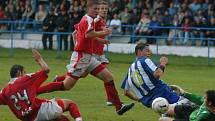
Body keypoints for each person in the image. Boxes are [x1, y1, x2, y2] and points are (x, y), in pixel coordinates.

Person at [37, 0, 134, 116]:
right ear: (89, 9)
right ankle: (36, 91)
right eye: (96, 9)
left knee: (108, 77)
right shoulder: (88, 19)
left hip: (89, 57)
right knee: (66, 86)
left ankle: (119, 107)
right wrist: (103, 32)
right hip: (81, 57)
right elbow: (88, 34)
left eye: (99, 9)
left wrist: (101, 39)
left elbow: (86, 35)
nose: (98, 11)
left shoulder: (91, 19)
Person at [0, 49, 82, 121]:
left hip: (27, 118)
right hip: (39, 110)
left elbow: (40, 90)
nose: (26, 73)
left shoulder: (4, 91)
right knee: (70, 104)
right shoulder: (25, 79)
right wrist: (39, 59)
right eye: (24, 72)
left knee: (60, 118)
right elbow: (46, 69)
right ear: (19, 73)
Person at [121, 42, 189, 108]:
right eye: (147, 50)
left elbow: (126, 92)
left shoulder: (129, 71)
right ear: (139, 51)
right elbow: (158, 74)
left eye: (150, 51)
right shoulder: (144, 61)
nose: (150, 52)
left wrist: (140, 99)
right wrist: (163, 63)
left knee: (169, 113)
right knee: (188, 102)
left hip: (149, 102)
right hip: (161, 92)